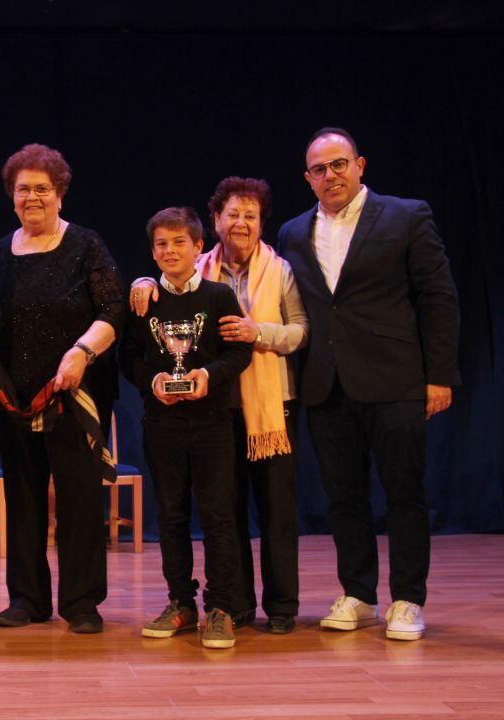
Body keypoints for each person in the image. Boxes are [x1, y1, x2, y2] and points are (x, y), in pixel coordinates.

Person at [277, 127, 459, 641]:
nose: (330, 175)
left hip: (395, 379)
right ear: (307, 178)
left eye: (338, 164)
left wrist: (440, 375)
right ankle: (358, 594)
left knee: (404, 493)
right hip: (326, 384)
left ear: (360, 164)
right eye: (319, 169)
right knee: (344, 497)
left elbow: (438, 298)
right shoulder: (292, 232)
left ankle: (407, 599)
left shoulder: (405, 215)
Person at [130, 177, 309, 634]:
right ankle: (228, 605)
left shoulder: (279, 271)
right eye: (233, 214)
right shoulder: (194, 273)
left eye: (251, 215)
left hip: (267, 404)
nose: (242, 222)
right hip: (209, 411)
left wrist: (256, 334)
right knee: (212, 508)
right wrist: (143, 279)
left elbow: (298, 332)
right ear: (216, 222)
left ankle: (277, 607)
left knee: (270, 509)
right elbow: (139, 341)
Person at [0, 143, 125, 634]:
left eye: (42, 188)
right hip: (15, 398)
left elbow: (114, 310)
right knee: (22, 498)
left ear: (60, 193)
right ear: (12, 196)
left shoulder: (86, 245)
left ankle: (82, 602)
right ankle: (26, 599)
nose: (33, 197)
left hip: (74, 393)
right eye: (23, 189)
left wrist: (81, 352)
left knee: (79, 499)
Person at [120, 207, 252, 649]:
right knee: (171, 516)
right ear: (152, 251)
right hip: (162, 423)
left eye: (180, 242)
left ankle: (220, 608)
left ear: (199, 247)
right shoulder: (142, 300)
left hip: (213, 422)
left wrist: (208, 375)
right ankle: (180, 602)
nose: (170, 250)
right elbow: (128, 358)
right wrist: (152, 380)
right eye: (161, 243)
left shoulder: (218, 297)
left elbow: (239, 354)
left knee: (218, 516)